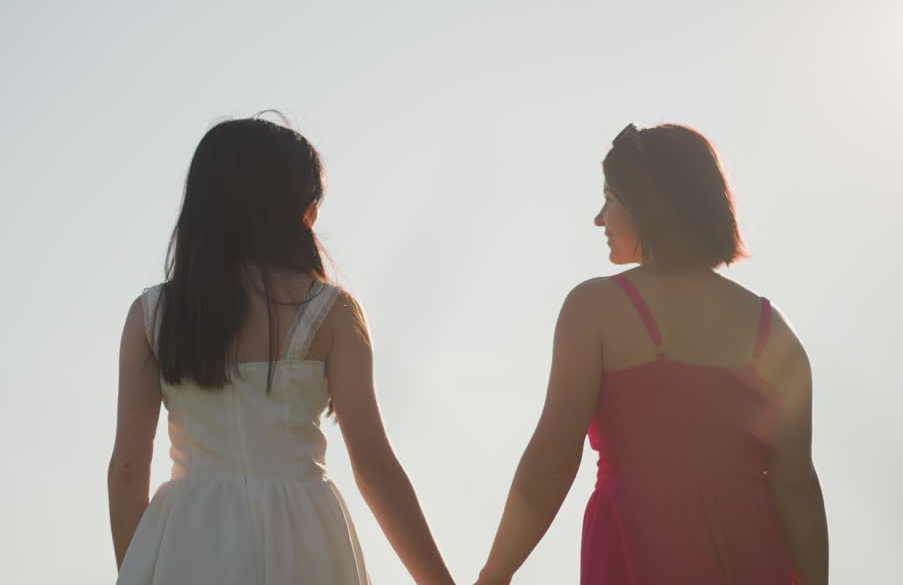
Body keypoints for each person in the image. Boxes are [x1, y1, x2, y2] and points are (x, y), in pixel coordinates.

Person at [475, 123, 828, 584]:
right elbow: (797, 488)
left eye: (610, 199)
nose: (599, 219)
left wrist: (493, 575)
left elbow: (552, 458)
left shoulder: (596, 307)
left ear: (647, 204)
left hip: (639, 558)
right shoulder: (774, 331)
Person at [109, 116, 454, 584]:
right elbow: (375, 469)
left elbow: (129, 467)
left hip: (187, 537)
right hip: (306, 531)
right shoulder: (333, 312)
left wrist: (137, 568)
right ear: (296, 206)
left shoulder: (151, 314)